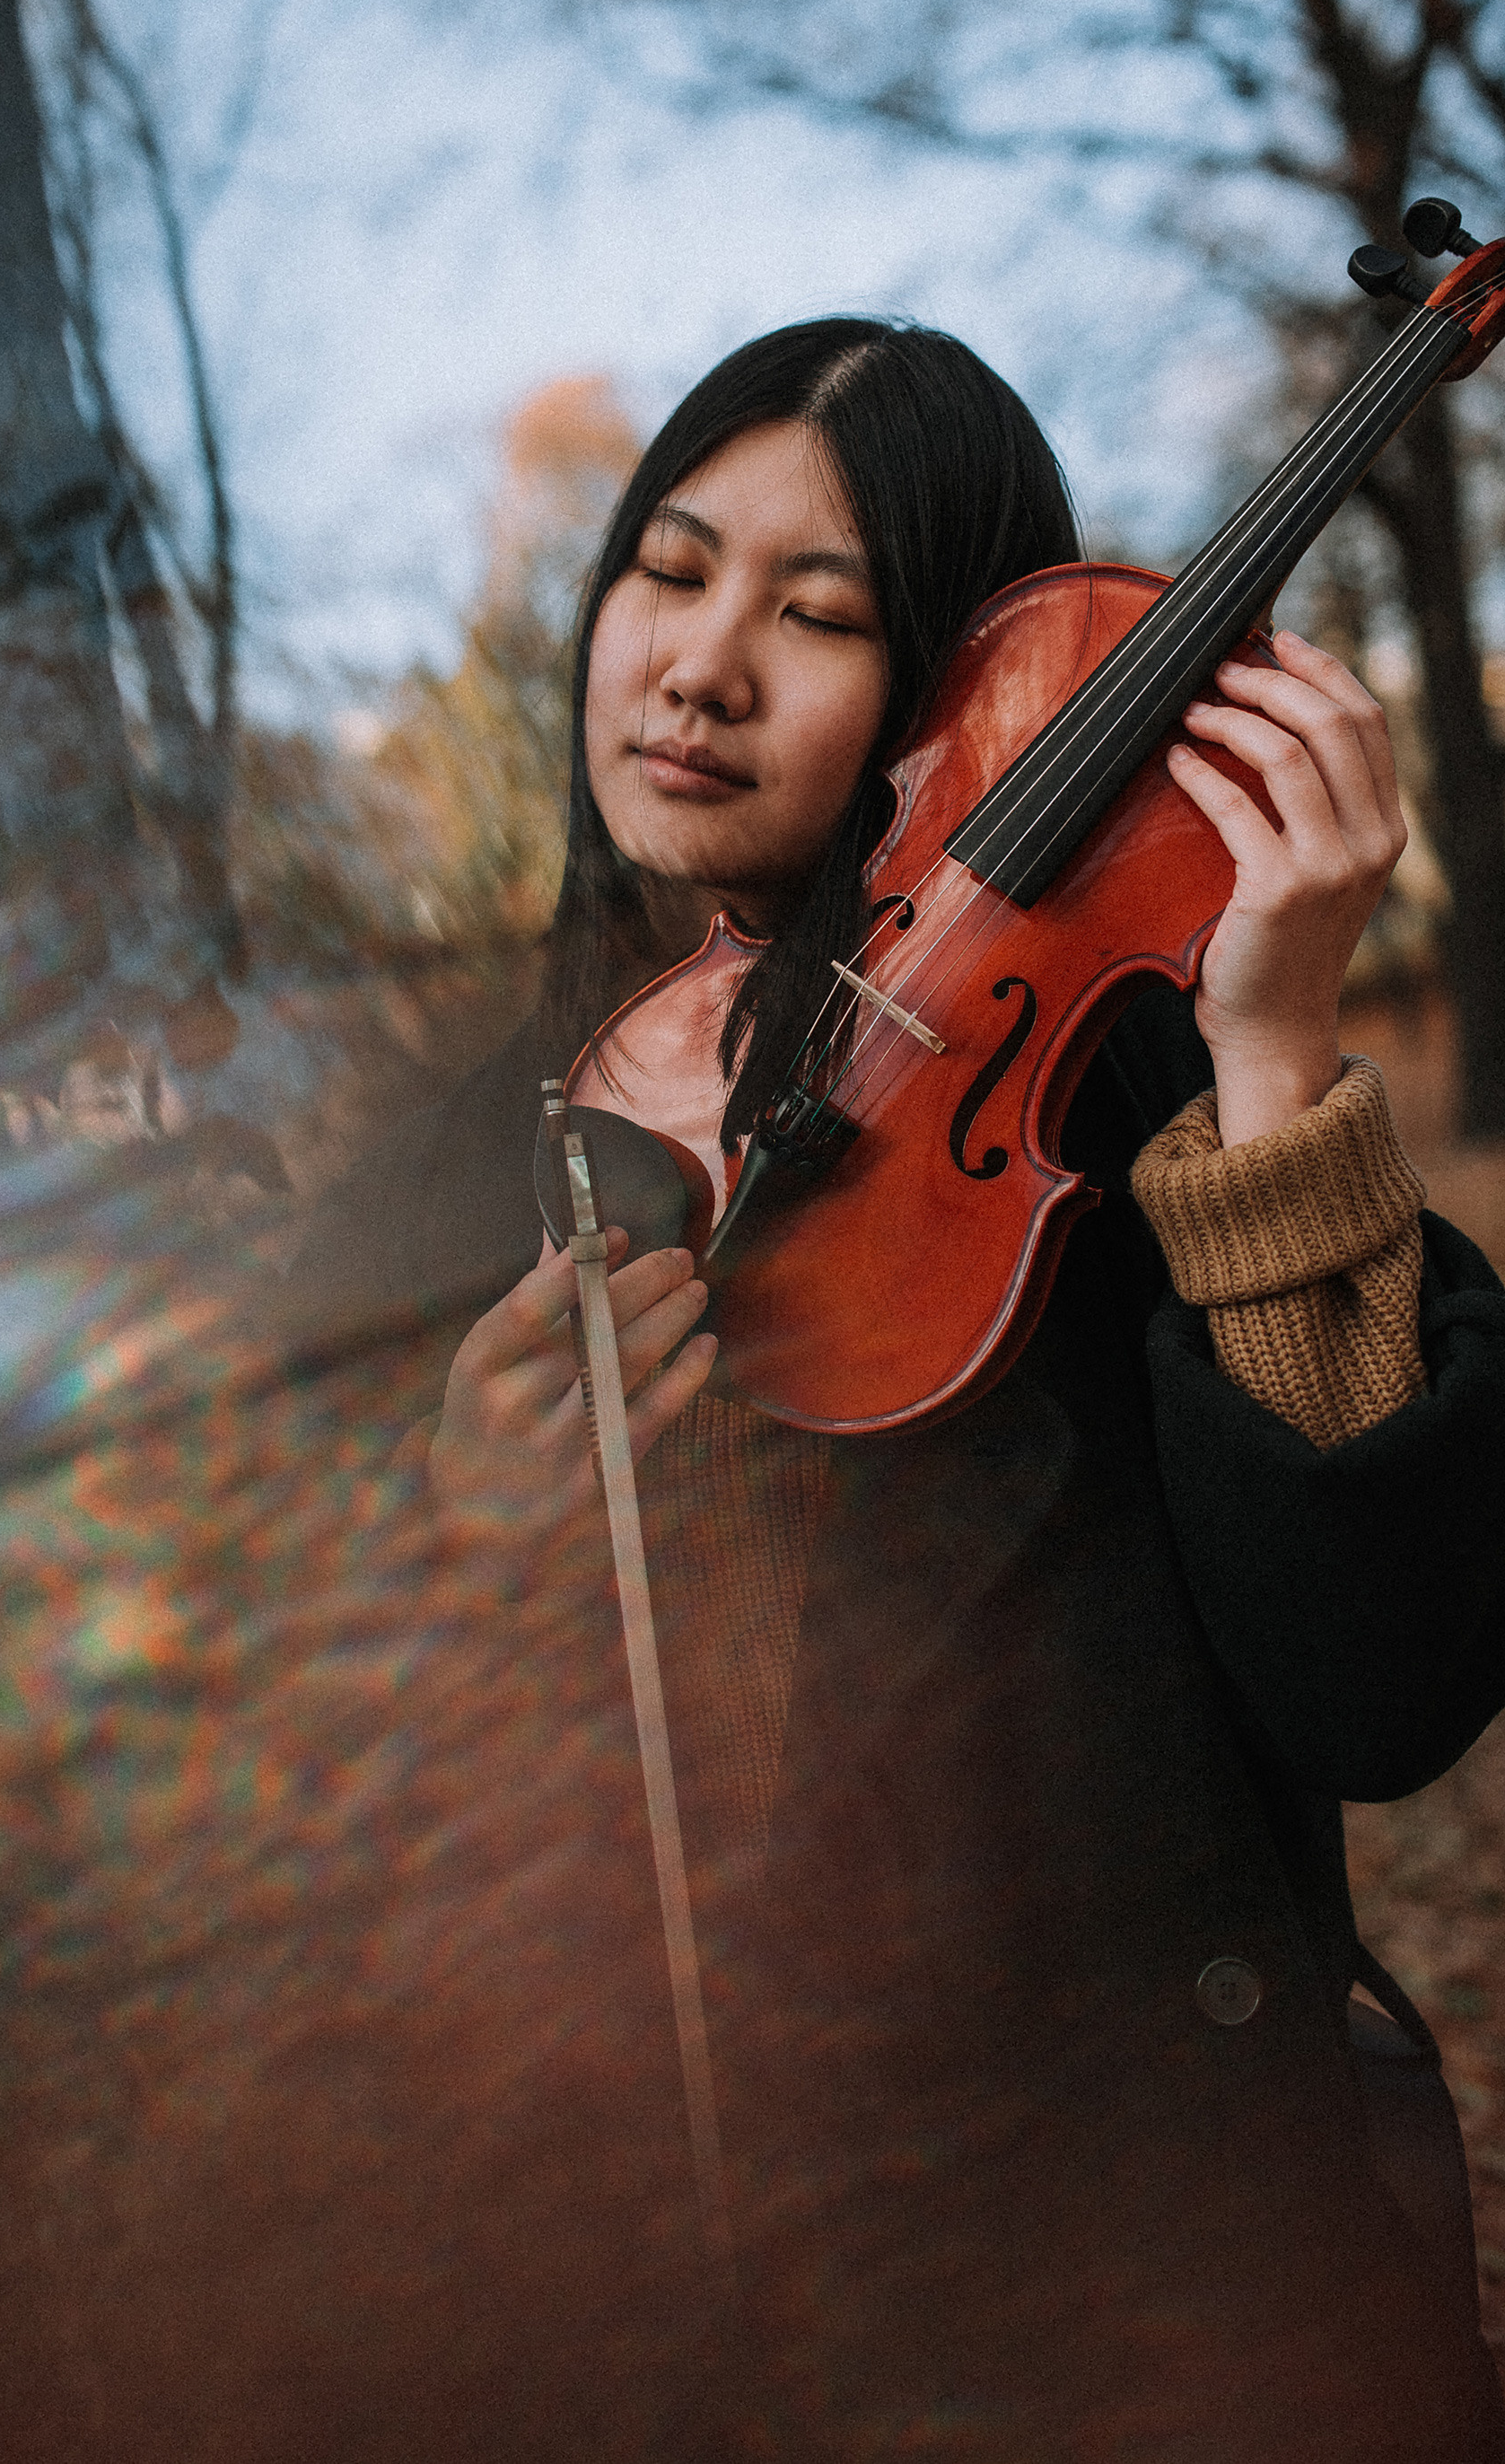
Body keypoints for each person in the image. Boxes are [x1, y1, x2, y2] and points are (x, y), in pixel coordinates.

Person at [285, 317, 1505, 2461]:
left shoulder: (1149, 1106)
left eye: (818, 613)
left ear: (956, 697)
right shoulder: (420, 1193)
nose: (698, 666)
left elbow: (1378, 1687)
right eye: (669, 569)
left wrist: (1272, 1055)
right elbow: (283, 1820)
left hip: (1154, 2320)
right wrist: (457, 1534)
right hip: (664, 2318)